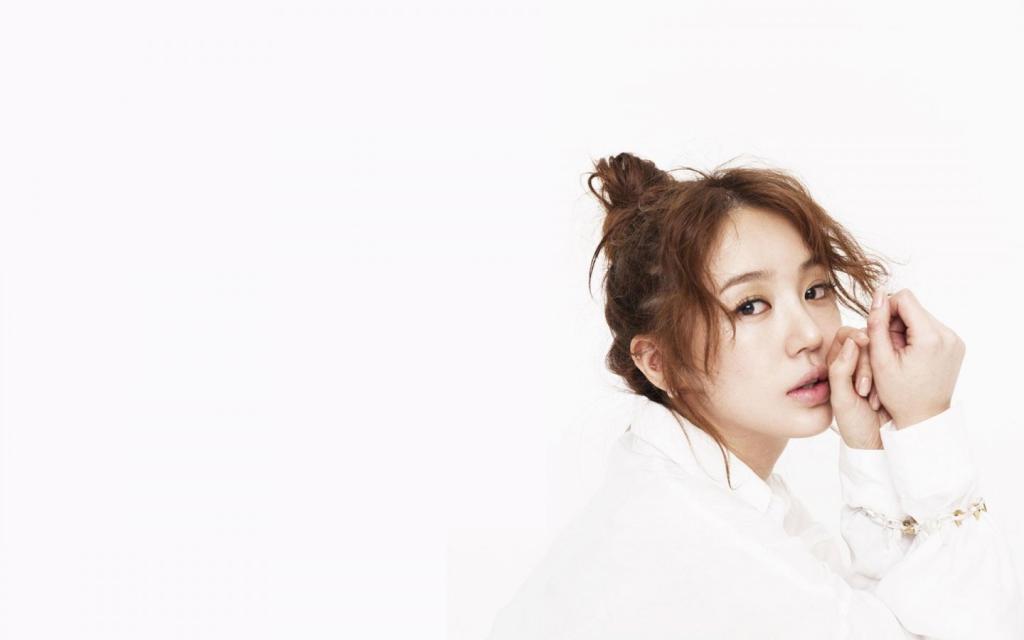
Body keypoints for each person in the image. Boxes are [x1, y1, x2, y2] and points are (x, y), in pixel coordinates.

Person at [486, 153, 1024, 638]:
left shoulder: (708, 494)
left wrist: (869, 447)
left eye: (814, 290)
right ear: (658, 362)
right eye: (749, 306)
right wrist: (927, 425)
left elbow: (872, 615)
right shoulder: (695, 535)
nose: (809, 333)